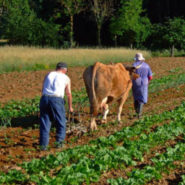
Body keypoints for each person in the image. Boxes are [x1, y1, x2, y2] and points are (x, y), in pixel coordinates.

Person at [39, 62, 73, 150]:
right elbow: (68, 94)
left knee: (45, 123)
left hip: (44, 98)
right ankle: (59, 145)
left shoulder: (48, 74)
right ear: (64, 70)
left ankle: (43, 146)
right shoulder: (66, 78)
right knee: (61, 122)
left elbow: (43, 89)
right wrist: (70, 107)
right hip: (56, 100)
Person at [132, 53, 152, 118]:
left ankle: (137, 112)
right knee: (142, 98)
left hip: (135, 82)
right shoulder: (147, 65)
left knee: (136, 97)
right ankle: (139, 114)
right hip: (144, 82)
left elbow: (131, 74)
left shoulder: (134, 65)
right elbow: (150, 77)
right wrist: (147, 82)